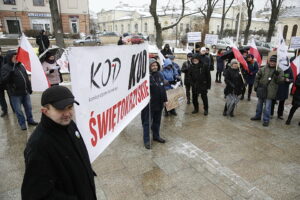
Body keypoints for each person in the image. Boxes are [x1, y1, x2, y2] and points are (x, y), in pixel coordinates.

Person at [21, 86, 97, 199]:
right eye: (61, 109)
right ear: (45, 111)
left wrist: (87, 172)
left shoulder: (70, 125)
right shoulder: (38, 146)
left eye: (70, 107)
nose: (67, 113)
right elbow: (33, 195)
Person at [1, 51, 38, 130]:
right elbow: (4, 80)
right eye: (14, 57)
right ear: (9, 58)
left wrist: (29, 88)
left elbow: (26, 79)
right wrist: (10, 74)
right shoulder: (5, 67)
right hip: (15, 94)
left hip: (25, 92)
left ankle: (30, 120)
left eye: (17, 56)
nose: (16, 58)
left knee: (28, 108)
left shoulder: (21, 66)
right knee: (18, 111)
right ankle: (22, 124)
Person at [251, 55, 284, 127]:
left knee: (267, 107)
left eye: (274, 62)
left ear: (276, 62)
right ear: (269, 61)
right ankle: (257, 116)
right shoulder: (263, 68)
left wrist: (277, 75)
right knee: (259, 104)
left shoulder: (279, 70)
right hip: (262, 89)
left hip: (271, 91)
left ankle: (266, 119)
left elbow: (280, 81)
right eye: (271, 61)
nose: (272, 63)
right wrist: (256, 86)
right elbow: (257, 77)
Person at [141, 59, 167, 149]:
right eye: (152, 66)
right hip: (149, 105)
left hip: (159, 103)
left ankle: (156, 136)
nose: (155, 67)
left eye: (156, 65)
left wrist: (165, 100)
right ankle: (147, 140)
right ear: (149, 67)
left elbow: (163, 88)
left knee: (157, 121)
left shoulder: (160, 75)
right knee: (147, 123)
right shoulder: (145, 77)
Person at [0, 47, 8, 117]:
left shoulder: (4, 59)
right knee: (1, 97)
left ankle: (15, 109)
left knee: (11, 96)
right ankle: (4, 110)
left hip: (6, 80)